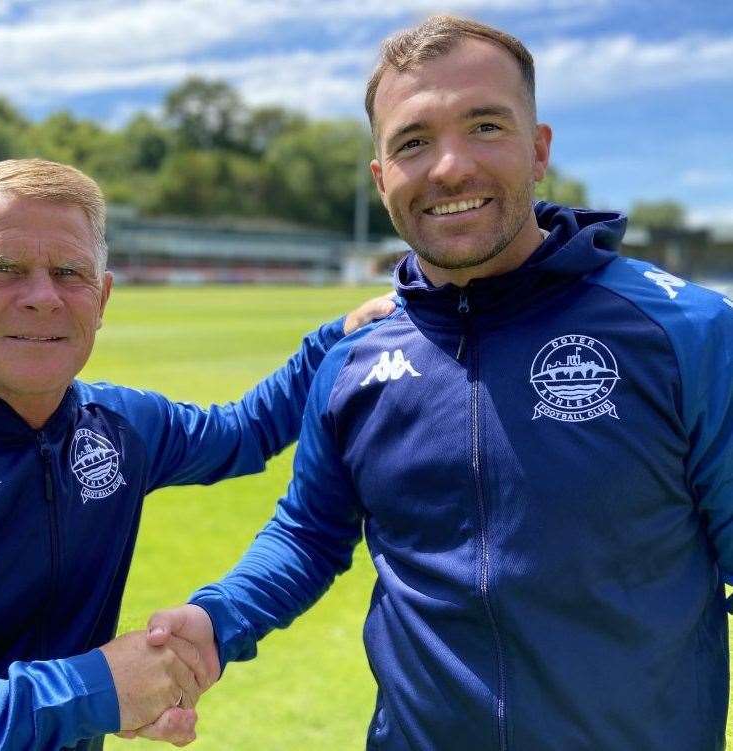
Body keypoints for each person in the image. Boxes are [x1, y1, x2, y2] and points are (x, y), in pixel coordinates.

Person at [147, 14, 733, 751]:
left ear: (539, 149)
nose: (450, 167)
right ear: (380, 175)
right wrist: (214, 619)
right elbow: (308, 533)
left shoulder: (688, 333)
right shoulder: (357, 361)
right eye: (413, 142)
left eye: (485, 126)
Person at [0, 158, 393, 750]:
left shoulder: (119, 426)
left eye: (70, 272)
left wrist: (335, 336)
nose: (42, 297)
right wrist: (94, 692)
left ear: (103, 296)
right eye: (2, 269)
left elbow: (242, 432)